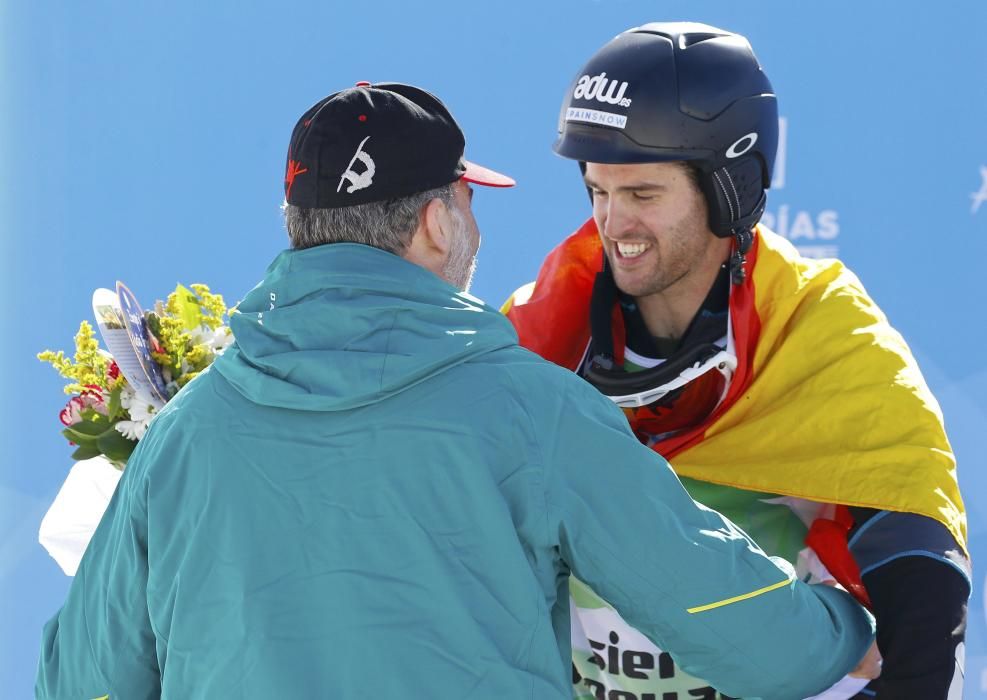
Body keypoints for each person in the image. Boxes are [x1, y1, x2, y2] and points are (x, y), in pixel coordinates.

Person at [36, 81, 875, 700]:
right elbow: (748, 635)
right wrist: (849, 622)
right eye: (467, 202)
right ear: (438, 223)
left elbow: (79, 680)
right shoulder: (533, 413)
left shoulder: (183, 435)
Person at [503, 23, 969, 700]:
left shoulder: (812, 331)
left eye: (642, 195)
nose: (612, 223)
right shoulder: (534, 337)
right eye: (597, 191)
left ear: (730, 190)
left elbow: (917, 568)